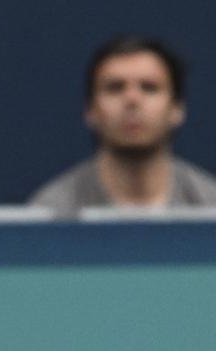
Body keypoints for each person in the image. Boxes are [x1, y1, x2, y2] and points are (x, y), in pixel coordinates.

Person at [30, 35, 216, 217]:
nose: (132, 99)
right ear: (90, 110)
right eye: (115, 88)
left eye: (149, 87)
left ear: (177, 108)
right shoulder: (51, 213)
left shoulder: (210, 205)